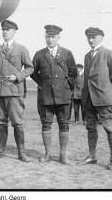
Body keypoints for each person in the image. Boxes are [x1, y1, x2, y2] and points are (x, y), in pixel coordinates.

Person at [0, 20, 34, 161]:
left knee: (17, 122)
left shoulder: (21, 49)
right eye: (4, 30)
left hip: (14, 92)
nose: (5, 32)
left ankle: (21, 152)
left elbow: (30, 68)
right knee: (1, 122)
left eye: (8, 30)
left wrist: (17, 76)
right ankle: (0, 150)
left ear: (14, 32)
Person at [30, 25, 77, 164]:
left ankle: (63, 155)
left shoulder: (67, 53)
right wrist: (43, 83)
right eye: (48, 37)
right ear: (45, 37)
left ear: (58, 38)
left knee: (64, 124)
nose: (50, 40)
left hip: (63, 96)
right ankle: (47, 154)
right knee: (46, 124)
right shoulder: (39, 54)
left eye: (53, 37)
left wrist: (65, 85)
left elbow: (73, 72)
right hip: (45, 96)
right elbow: (32, 72)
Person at [79, 27, 112, 170]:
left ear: (101, 37)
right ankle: (92, 156)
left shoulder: (109, 54)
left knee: (109, 128)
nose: (91, 40)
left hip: (104, 98)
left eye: (94, 37)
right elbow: (86, 78)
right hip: (89, 99)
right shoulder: (87, 56)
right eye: (88, 37)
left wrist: (109, 94)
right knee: (91, 128)